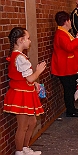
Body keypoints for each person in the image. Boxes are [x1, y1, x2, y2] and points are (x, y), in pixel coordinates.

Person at [3, 27, 46, 155]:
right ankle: (19, 151)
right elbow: (30, 77)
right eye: (27, 38)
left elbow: (26, 78)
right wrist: (38, 71)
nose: (29, 41)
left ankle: (26, 147)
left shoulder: (20, 56)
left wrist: (34, 83)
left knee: (32, 122)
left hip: (25, 92)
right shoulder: (19, 58)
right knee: (22, 126)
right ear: (21, 40)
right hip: (20, 95)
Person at [51, 11, 78, 117]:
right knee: (69, 90)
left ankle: (72, 108)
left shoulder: (64, 32)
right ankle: (70, 110)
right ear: (66, 21)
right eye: (69, 20)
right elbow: (69, 47)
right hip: (65, 68)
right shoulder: (61, 34)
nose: (70, 22)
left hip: (69, 67)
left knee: (70, 88)